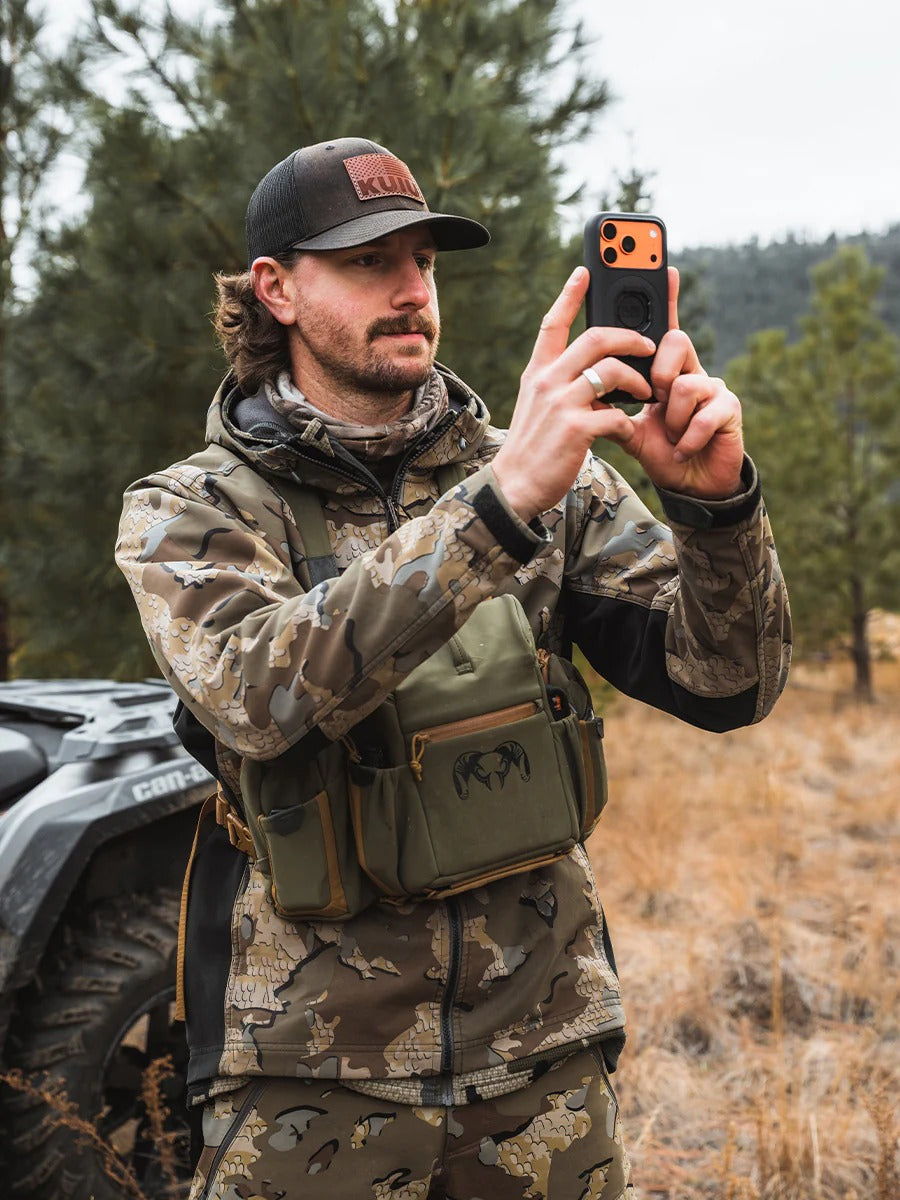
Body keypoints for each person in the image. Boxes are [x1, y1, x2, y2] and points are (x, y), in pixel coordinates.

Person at [115, 137, 791, 1199]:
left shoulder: (549, 477)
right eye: (369, 261)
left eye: (423, 260)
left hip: (546, 1066)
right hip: (313, 1079)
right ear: (276, 289)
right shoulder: (193, 510)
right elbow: (261, 697)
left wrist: (716, 509)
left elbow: (727, 683)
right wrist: (500, 506)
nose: (411, 288)